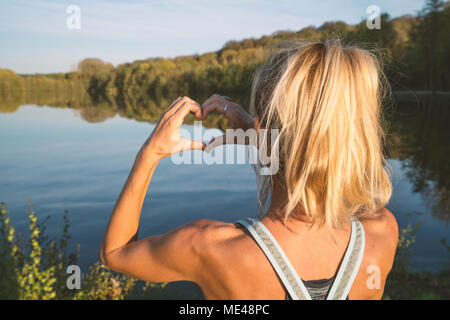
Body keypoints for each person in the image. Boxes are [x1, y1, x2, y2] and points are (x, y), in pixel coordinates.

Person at [100, 40, 398, 300]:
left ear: (262, 129)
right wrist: (261, 132)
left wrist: (150, 153)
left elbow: (115, 254)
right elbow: (326, 162)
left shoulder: (207, 247)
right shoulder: (381, 232)